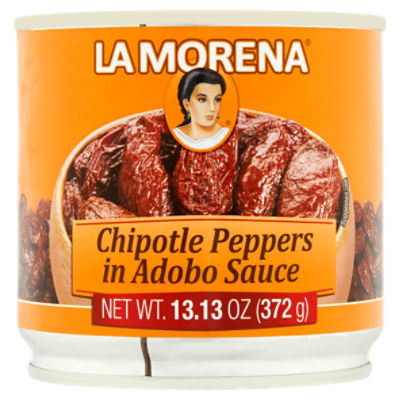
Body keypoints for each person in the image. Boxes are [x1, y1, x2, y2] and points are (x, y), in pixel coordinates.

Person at [173, 68, 229, 150]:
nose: (212, 108)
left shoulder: (228, 136)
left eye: (217, 100)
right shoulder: (175, 136)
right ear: (186, 105)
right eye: (202, 100)